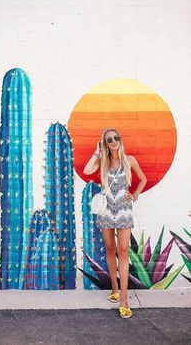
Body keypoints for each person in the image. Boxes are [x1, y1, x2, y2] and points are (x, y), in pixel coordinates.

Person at [83, 128, 147, 318]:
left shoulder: (130, 160)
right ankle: (114, 289)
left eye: (115, 138)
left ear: (120, 139)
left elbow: (142, 179)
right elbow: (87, 170)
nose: (113, 141)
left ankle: (124, 299)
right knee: (110, 249)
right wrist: (97, 151)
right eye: (108, 139)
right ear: (105, 143)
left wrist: (134, 194)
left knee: (123, 251)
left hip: (124, 211)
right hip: (106, 211)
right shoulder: (103, 162)